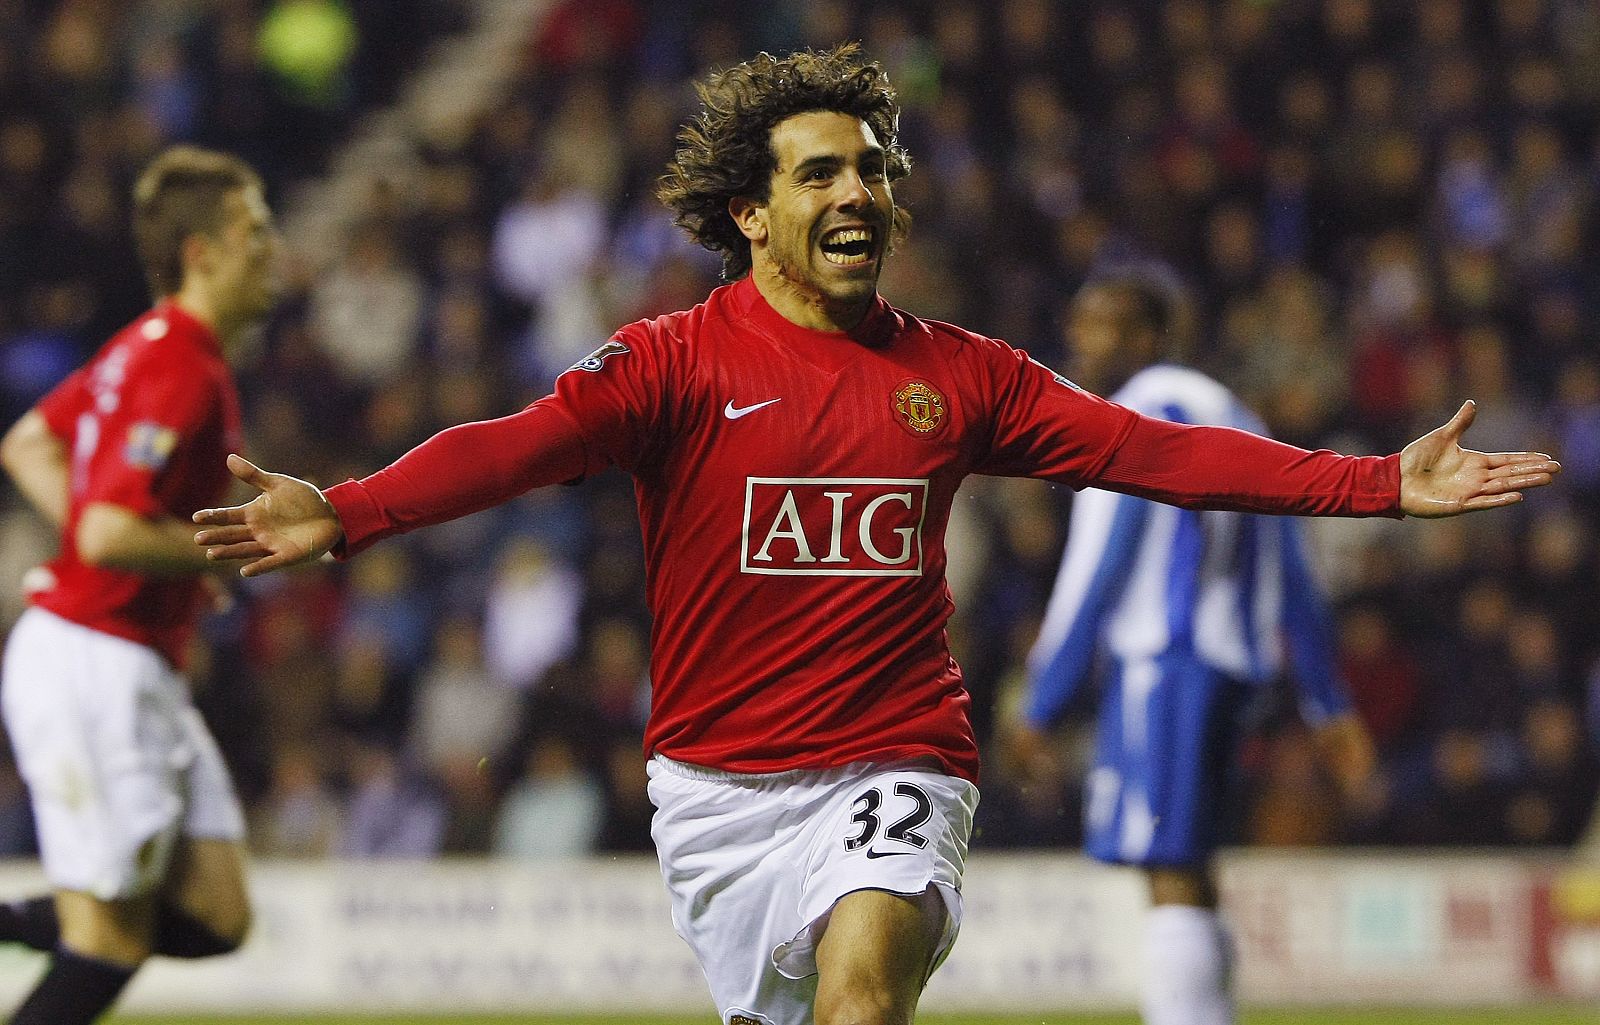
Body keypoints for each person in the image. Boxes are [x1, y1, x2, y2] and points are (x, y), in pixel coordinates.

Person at [190, 45, 1557, 1025]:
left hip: (898, 756)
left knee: (861, 998)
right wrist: (349, 511)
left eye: (872, 170)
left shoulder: (958, 374)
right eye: (820, 173)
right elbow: (516, 444)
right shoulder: (674, 362)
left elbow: (1152, 452)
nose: (856, 192)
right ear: (751, 212)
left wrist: (1373, 484)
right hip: (717, 792)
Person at [1005, 275, 1378, 1025]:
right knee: (1192, 859)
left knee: (1166, 863)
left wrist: (1042, 699)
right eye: (1078, 322)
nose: (1080, 340)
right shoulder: (1236, 412)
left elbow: (1104, 562)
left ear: (1148, 337)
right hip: (1232, 666)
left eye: (1102, 325)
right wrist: (1326, 698)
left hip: (1166, 660)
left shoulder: (1139, 411)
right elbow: (1292, 567)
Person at [0, 145, 276, 1025]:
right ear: (202, 253)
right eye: (253, 232)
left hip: (131, 656)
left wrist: (175, 557)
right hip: (94, 658)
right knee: (108, 942)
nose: (271, 250)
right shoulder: (178, 365)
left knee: (217, 913)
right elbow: (107, 531)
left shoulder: (145, 349)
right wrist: (218, 552)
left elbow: (28, 445)